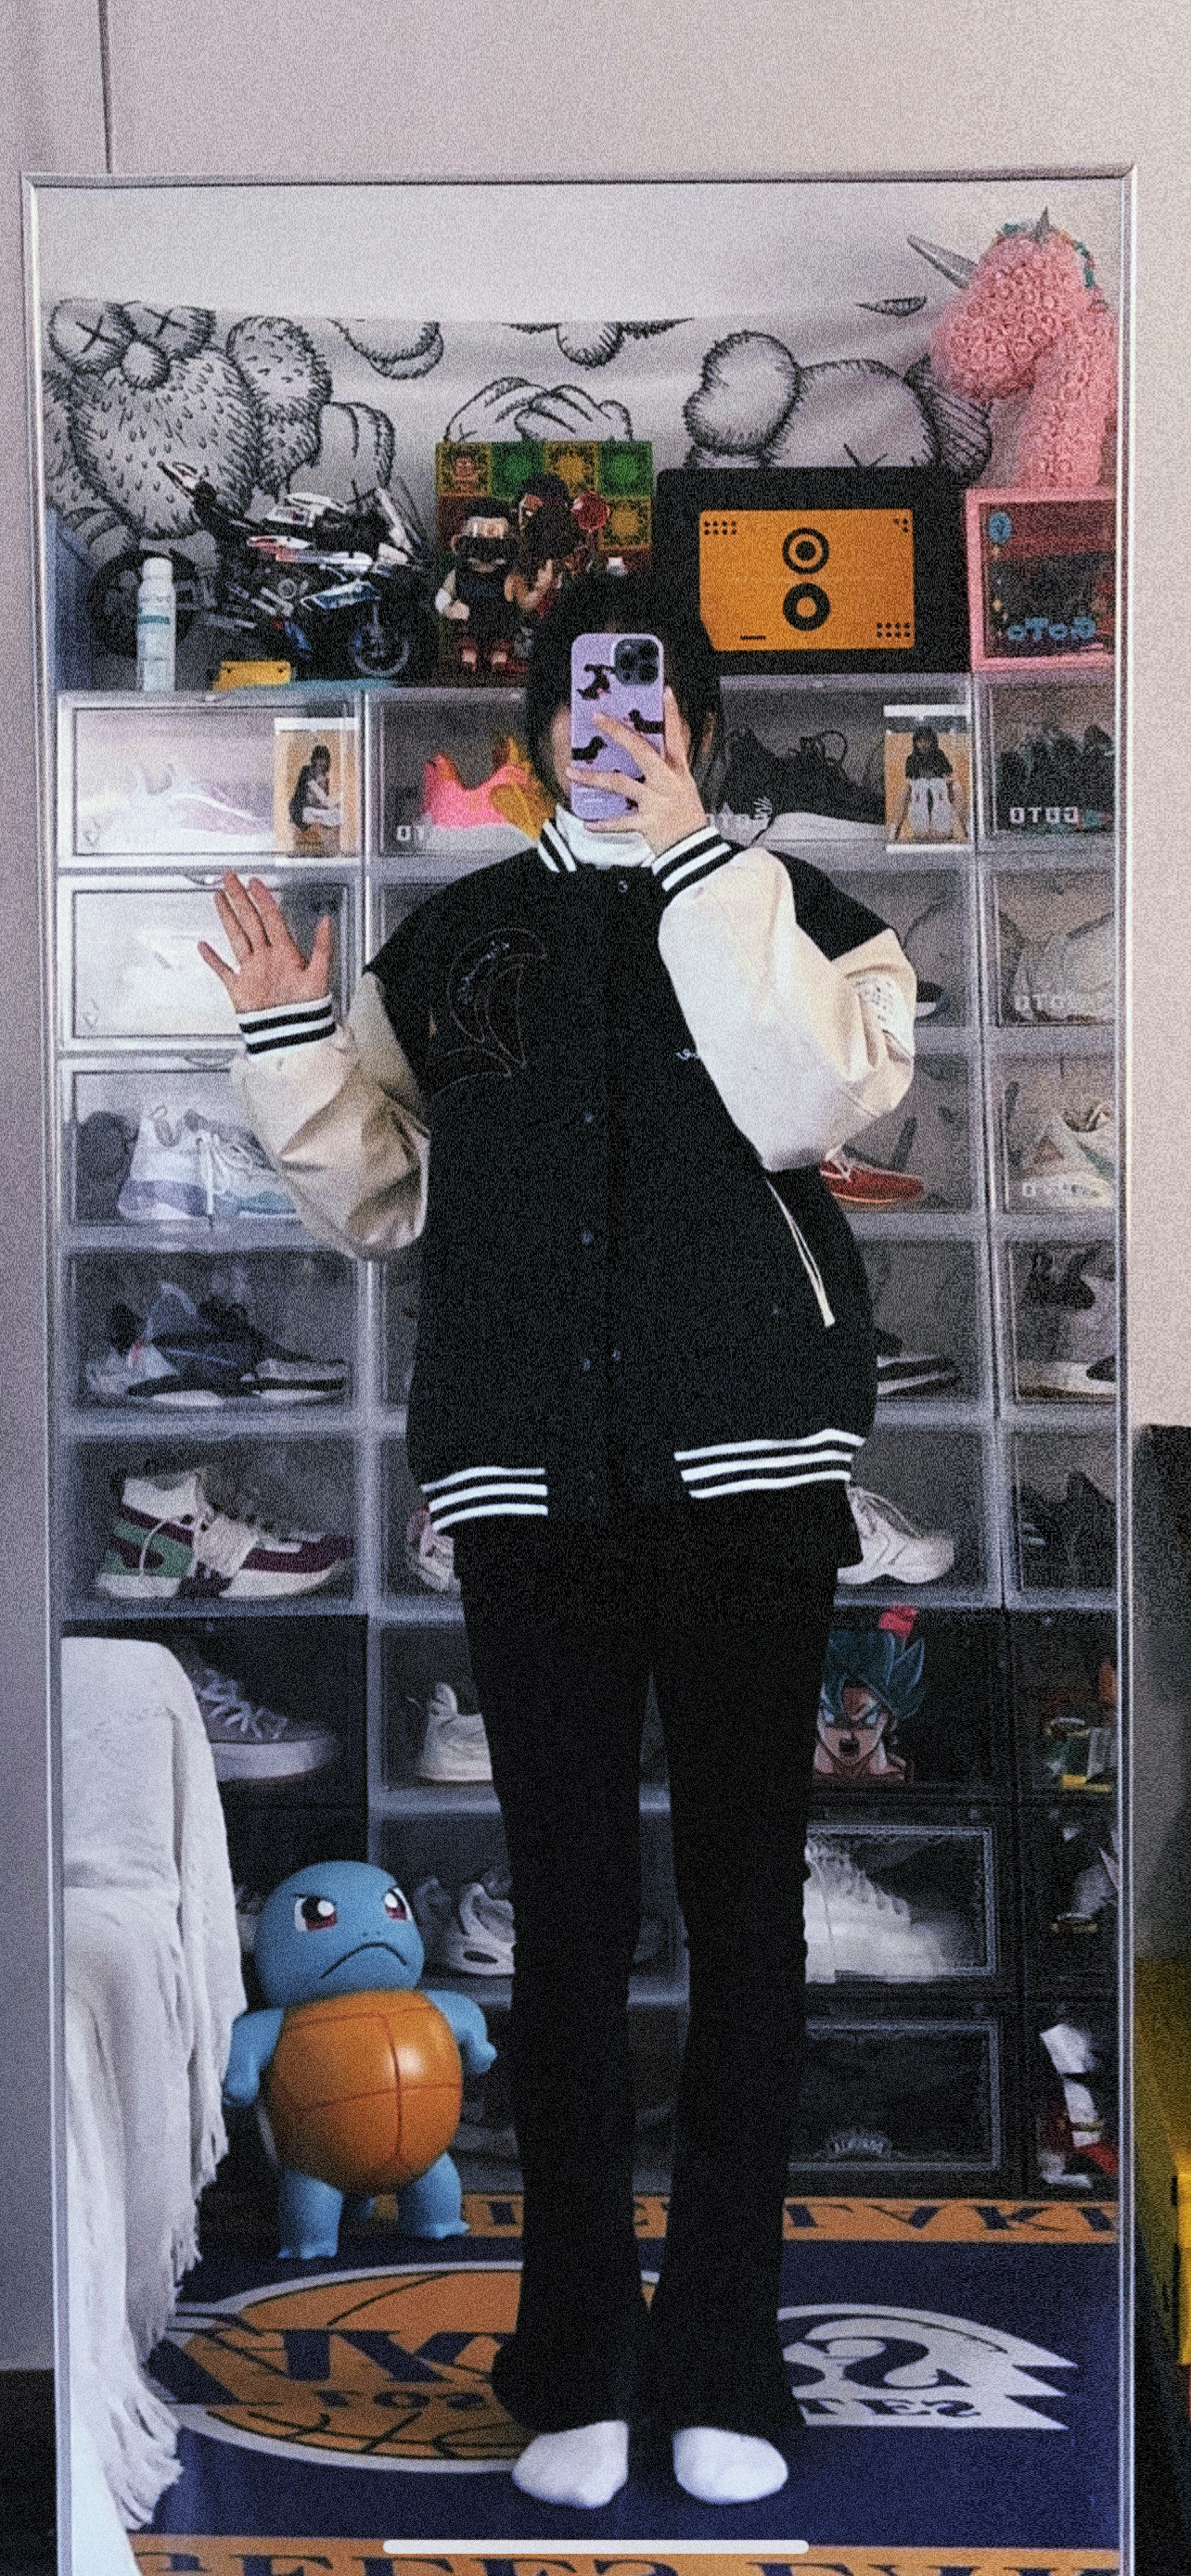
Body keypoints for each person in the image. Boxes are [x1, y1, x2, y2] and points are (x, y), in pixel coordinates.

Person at [199, 571, 916, 2514]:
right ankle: (574, 2352)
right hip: (530, 1479)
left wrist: (694, 864)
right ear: (532, 731)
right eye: (587, 700)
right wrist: (285, 1034)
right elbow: (382, 1199)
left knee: (749, 1922)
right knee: (568, 1923)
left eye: (653, 697)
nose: (619, 727)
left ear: (701, 720)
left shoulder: (808, 915)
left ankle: (728, 2356)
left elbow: (798, 1101)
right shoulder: (454, 945)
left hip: (753, 1469)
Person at [890, 722, 965, 843]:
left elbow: (949, 776)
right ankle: (895, 830)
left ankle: (965, 829)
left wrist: (944, 783)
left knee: (957, 788)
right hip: (920, 798)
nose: (923, 744)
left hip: (940, 795)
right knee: (904, 791)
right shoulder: (911, 759)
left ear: (932, 741)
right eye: (920, 741)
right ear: (915, 742)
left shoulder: (939, 755)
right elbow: (909, 781)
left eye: (926, 741)